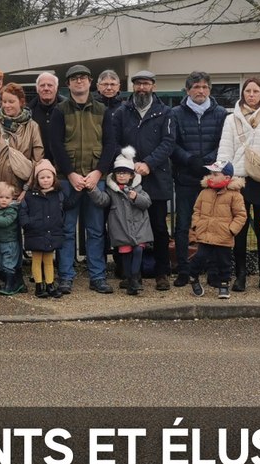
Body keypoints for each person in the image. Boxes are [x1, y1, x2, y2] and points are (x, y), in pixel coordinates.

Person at [100, 70, 175, 290]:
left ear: (153, 86)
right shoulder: (122, 112)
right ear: (133, 87)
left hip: (155, 177)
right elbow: (113, 142)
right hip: (127, 177)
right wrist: (128, 164)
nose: (142, 88)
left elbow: (169, 142)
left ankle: (161, 272)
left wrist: (149, 163)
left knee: (159, 226)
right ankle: (131, 273)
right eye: (138, 84)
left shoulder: (165, 112)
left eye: (146, 84)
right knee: (124, 226)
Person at [216, 76, 260, 292]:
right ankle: (240, 276)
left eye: (256, 91)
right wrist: (223, 177)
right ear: (243, 94)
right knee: (239, 230)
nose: (251, 95)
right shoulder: (232, 119)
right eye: (248, 91)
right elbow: (224, 149)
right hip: (238, 180)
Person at [57, 64, 111, 294]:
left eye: (83, 78)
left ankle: (97, 276)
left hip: (94, 180)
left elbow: (110, 144)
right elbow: (56, 145)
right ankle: (66, 276)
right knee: (67, 230)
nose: (79, 82)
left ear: (90, 82)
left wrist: (98, 172)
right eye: (74, 79)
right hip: (68, 180)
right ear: (68, 84)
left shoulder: (102, 110)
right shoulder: (60, 111)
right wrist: (71, 174)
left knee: (96, 229)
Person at [169, 71, 226, 289]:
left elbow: (224, 141)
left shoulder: (220, 113)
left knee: (211, 226)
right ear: (187, 90)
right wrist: (189, 159)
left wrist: (207, 161)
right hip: (185, 176)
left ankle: (213, 271)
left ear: (209, 90)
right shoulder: (176, 113)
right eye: (196, 87)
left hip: (212, 178)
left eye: (204, 87)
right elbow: (171, 143)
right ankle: (183, 270)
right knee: (183, 226)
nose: (200, 91)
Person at [86, 147, 152, 296]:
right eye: (119, 173)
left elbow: (147, 203)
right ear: (115, 175)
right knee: (126, 254)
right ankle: (129, 279)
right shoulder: (112, 191)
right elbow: (103, 200)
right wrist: (92, 190)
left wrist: (136, 198)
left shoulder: (138, 188)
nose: (121, 176)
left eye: (125, 173)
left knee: (138, 250)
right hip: (121, 229)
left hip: (139, 228)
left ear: (131, 175)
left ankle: (135, 278)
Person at [188, 161, 247, 299]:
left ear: (227, 178)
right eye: (210, 174)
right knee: (199, 258)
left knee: (224, 262)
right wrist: (197, 224)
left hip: (223, 235)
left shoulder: (235, 195)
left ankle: (224, 285)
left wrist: (231, 230)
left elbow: (241, 215)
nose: (211, 177)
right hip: (205, 233)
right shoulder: (204, 192)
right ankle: (193, 278)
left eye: (215, 174)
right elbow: (197, 210)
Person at [0, 82, 44, 197]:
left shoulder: (32, 126)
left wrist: (27, 188)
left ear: (21, 102)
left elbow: (37, 160)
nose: (7, 105)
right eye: (4, 102)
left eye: (11, 102)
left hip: (21, 190)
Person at [19, 159, 70, 299]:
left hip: (52, 231)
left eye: (48, 177)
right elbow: (23, 211)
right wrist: (27, 224)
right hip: (35, 231)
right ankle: (38, 285)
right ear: (37, 179)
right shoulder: (30, 195)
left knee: (48, 259)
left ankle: (50, 284)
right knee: (36, 259)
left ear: (54, 178)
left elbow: (64, 209)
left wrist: (60, 222)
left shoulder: (58, 194)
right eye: (42, 177)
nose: (45, 180)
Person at [0, 181, 24, 296]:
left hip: (9, 242)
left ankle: (10, 285)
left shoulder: (12, 210)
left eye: (7, 197)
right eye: (1, 197)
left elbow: (5, 222)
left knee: (8, 264)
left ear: (12, 198)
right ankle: (12, 282)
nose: (4, 200)